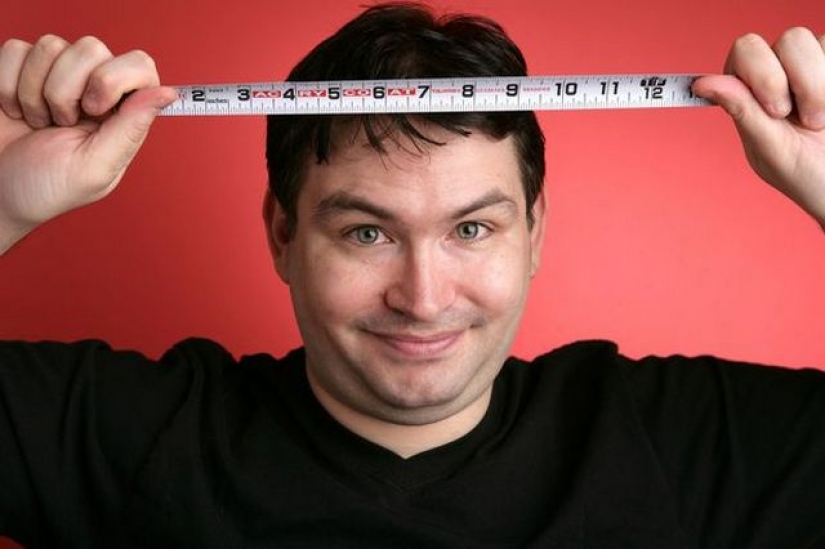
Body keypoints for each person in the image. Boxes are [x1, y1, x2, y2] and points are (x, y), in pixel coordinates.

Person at [1, 2, 824, 547]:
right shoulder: (130, 437)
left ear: (533, 232)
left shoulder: (687, 445)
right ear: (283, 234)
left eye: (470, 228)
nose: (422, 298)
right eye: (366, 232)